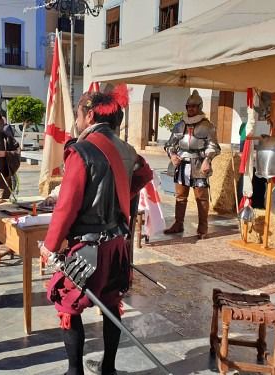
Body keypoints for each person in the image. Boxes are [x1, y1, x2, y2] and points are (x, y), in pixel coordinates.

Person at [39, 85, 153, 375]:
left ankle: (74, 371)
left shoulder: (82, 150)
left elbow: (67, 206)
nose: (76, 122)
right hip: (117, 245)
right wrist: (120, 196)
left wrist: (50, 246)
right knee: (111, 303)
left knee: (67, 304)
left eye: (78, 115)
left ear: (89, 116)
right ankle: (109, 369)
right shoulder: (127, 149)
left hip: (87, 249)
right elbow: (144, 174)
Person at [163, 89, 221, 239]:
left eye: (194, 106)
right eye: (189, 106)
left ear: (199, 107)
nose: (191, 109)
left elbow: (213, 146)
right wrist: (172, 155)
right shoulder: (179, 125)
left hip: (199, 163)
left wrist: (207, 160)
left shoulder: (208, 126)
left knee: (201, 197)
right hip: (181, 164)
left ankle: (203, 228)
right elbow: (170, 144)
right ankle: (178, 223)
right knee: (180, 196)